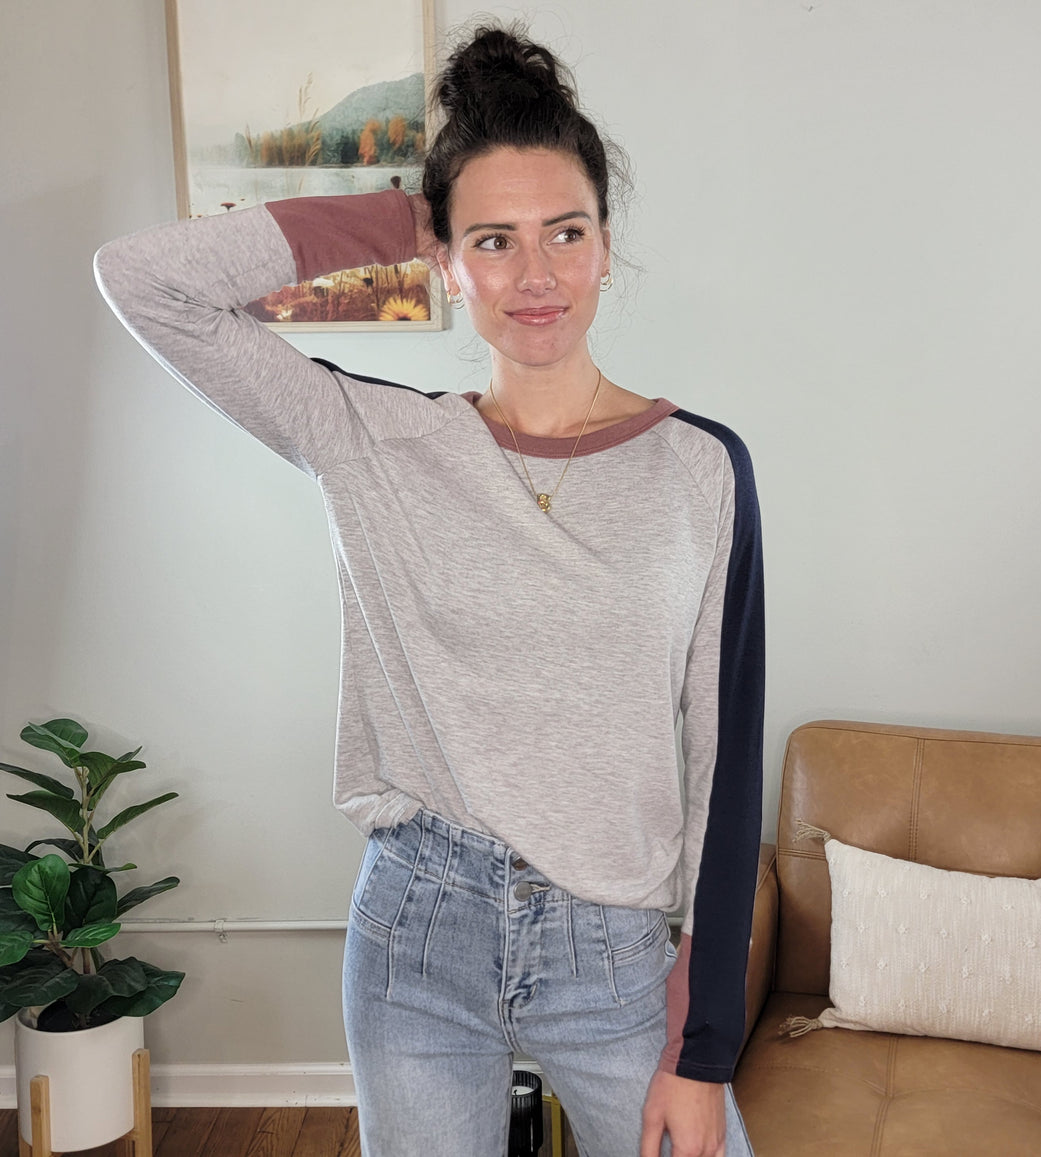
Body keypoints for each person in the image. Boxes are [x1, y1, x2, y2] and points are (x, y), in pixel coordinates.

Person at [95, 21, 763, 1157]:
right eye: (492, 241)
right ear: (445, 263)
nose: (537, 274)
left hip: (612, 955)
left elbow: (724, 762)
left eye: (566, 231)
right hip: (418, 934)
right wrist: (402, 214)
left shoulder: (700, 467)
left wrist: (699, 1048)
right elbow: (143, 281)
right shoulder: (368, 435)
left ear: (607, 244)